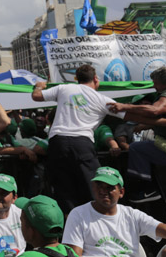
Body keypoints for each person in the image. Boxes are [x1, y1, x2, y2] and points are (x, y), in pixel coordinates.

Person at [31, 65, 126, 214]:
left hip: (58, 143)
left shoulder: (64, 88)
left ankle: (71, 231)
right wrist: (163, 121)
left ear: (77, 79)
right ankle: (96, 226)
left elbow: (36, 96)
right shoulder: (101, 99)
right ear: (95, 79)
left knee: (64, 193)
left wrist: (38, 86)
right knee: (93, 187)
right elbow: (128, 113)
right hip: (82, 144)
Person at [62, 167, 166, 257]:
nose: (103, 191)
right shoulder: (78, 214)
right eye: (99, 186)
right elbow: (73, 253)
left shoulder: (132, 215)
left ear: (121, 192)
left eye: (109, 187)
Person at [108, 66, 166, 202]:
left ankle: (148, 190)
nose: (154, 86)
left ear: (164, 83)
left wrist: (124, 106)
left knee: (137, 148)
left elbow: (154, 110)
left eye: (155, 83)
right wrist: (147, 125)